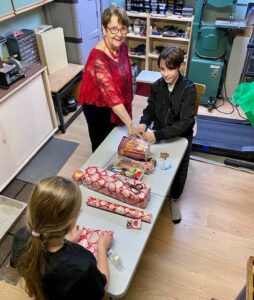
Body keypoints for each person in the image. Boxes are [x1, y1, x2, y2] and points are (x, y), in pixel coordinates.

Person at [10, 176, 113, 300]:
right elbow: (103, 287)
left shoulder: (21, 236)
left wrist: (67, 241)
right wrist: (102, 248)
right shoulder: (81, 265)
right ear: (71, 221)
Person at [137, 47, 196, 224]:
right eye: (162, 68)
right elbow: (150, 109)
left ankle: (174, 199)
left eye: (170, 68)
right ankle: (152, 193)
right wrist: (143, 122)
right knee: (152, 163)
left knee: (180, 169)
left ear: (181, 67)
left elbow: (185, 122)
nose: (165, 73)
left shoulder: (189, 89)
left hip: (181, 136)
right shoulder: (156, 86)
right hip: (160, 132)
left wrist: (156, 135)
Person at [79, 6, 134, 152]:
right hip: (97, 107)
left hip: (114, 100)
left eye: (123, 29)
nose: (119, 34)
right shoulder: (98, 59)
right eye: (114, 29)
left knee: (117, 139)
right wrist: (130, 124)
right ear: (104, 29)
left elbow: (126, 74)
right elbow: (113, 99)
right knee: (102, 146)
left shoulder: (121, 47)